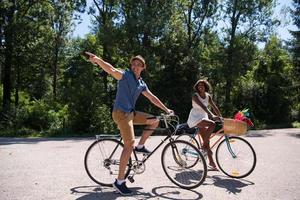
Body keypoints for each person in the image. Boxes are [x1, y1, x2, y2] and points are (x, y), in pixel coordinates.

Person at [85, 52, 173, 195]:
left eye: (138, 65)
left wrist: (166, 109)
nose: (135, 66)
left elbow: (152, 98)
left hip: (131, 113)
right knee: (128, 144)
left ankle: (141, 146)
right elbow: (111, 69)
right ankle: (119, 182)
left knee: (155, 120)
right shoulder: (125, 76)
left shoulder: (141, 84)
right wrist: (98, 60)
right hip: (121, 113)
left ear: (143, 68)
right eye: (133, 64)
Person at [187, 79, 222, 170]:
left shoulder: (208, 96)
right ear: (197, 87)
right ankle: (203, 146)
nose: (200, 87)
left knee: (207, 142)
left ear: (205, 86)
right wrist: (212, 115)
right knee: (212, 124)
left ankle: (211, 162)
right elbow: (203, 106)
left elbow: (215, 107)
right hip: (195, 117)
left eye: (202, 85)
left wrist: (221, 118)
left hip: (203, 117)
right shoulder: (195, 95)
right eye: (199, 86)